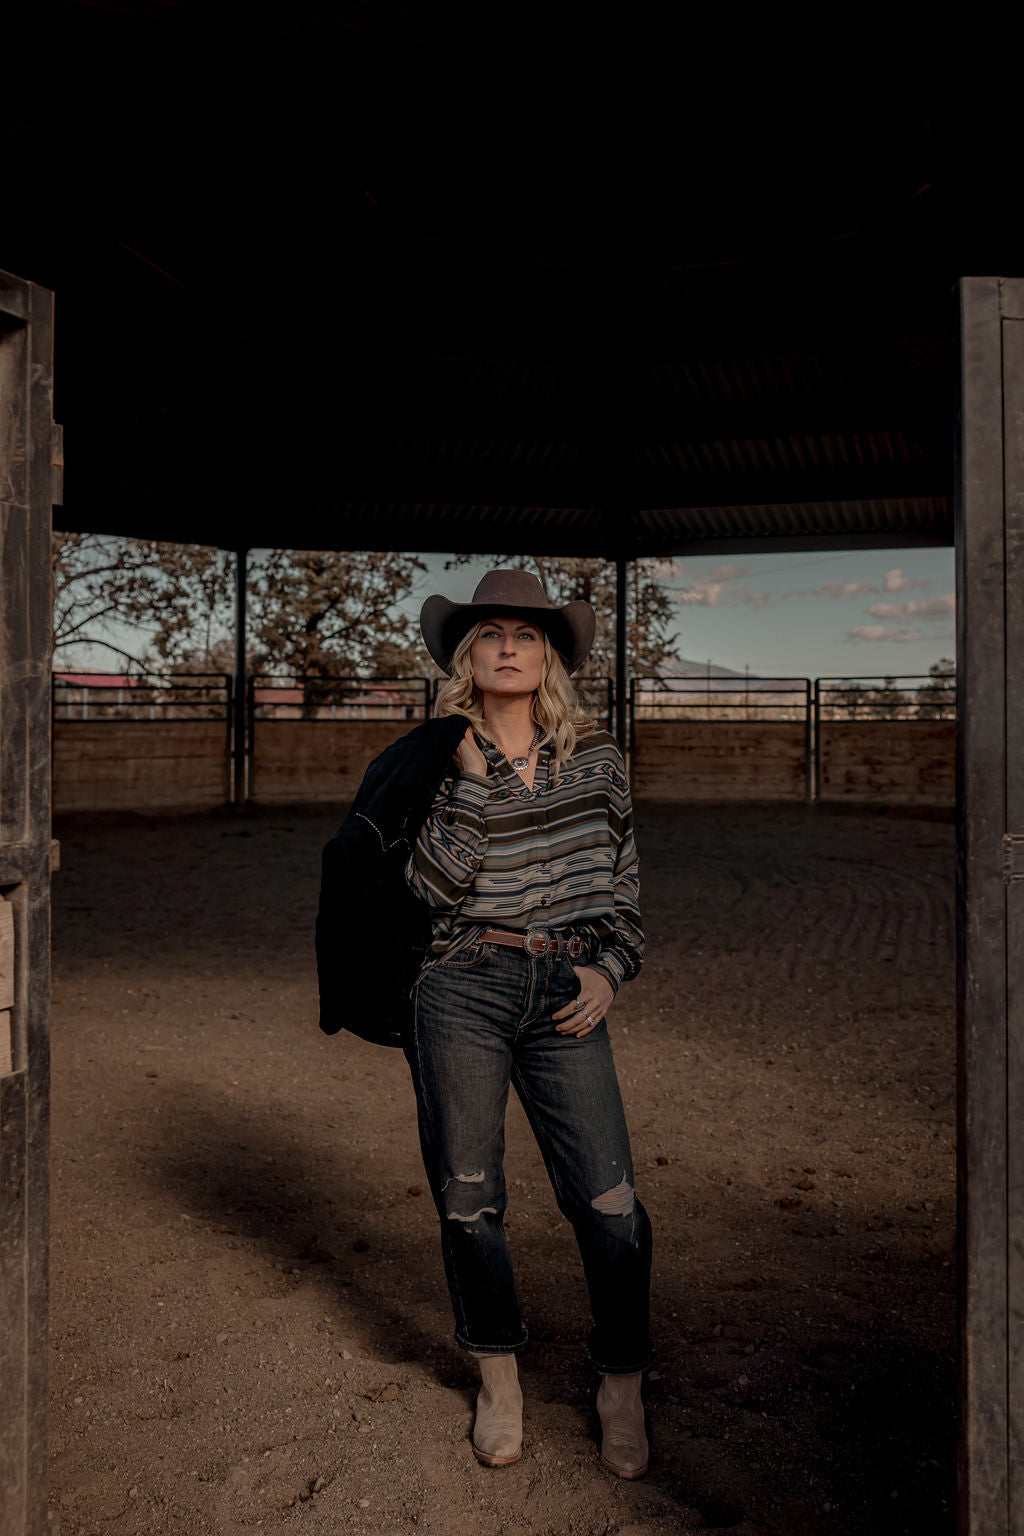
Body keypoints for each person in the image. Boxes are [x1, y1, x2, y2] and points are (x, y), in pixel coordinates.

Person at [403, 568, 654, 1476]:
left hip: (565, 992)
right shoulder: (433, 757)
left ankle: (621, 1383)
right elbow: (426, 891)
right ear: (467, 656)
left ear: (549, 656)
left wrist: (610, 972)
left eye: (526, 634)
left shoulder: (600, 757)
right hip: (462, 985)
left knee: (612, 1205)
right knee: (469, 1197)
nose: (508, 648)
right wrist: (471, 787)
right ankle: (498, 1379)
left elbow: (623, 887)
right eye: (490, 634)